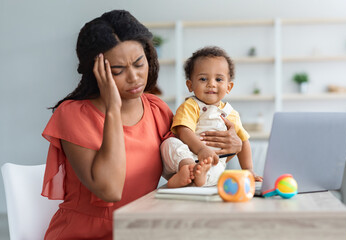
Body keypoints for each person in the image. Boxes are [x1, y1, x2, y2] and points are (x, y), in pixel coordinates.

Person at [41, 10, 243, 239]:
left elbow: (190, 167)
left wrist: (231, 148)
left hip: (141, 230)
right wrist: (113, 110)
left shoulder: (156, 109)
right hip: (86, 234)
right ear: (96, 72)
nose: (134, 77)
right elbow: (110, 190)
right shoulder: (73, 115)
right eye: (118, 70)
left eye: (139, 64)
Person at [161, 46, 263, 188]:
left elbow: (243, 141)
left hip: (211, 161)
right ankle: (187, 168)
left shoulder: (231, 114)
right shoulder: (191, 105)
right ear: (190, 85)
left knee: (218, 168)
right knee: (169, 144)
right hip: (186, 155)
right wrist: (201, 150)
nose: (211, 84)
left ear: (229, 87)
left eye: (219, 79)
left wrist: (248, 169)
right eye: (203, 79)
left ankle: (200, 177)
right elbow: (183, 130)